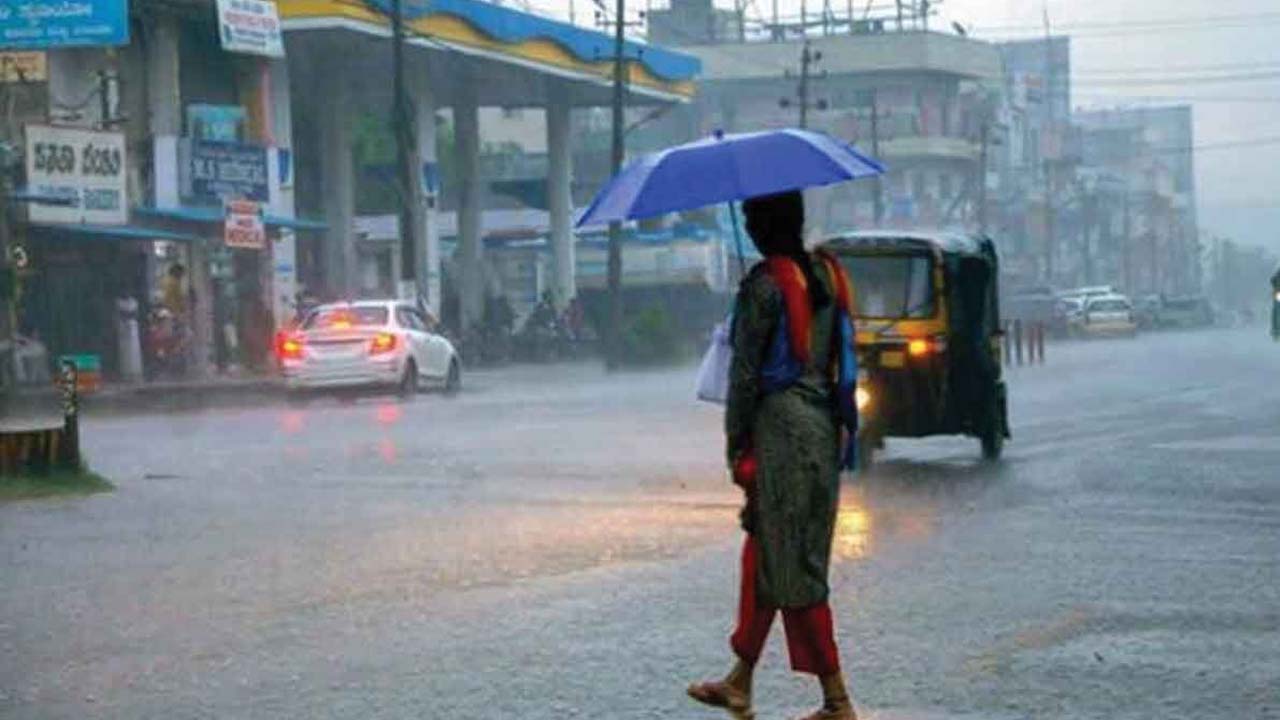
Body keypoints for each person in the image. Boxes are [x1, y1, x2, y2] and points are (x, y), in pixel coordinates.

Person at [688, 190, 859, 720]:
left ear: (765, 224)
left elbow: (742, 378)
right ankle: (740, 680)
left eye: (750, 216)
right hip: (822, 428)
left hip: (780, 433)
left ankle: (837, 699)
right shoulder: (829, 274)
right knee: (767, 555)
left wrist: (736, 442)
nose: (748, 225)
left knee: (793, 568)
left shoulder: (764, 286)